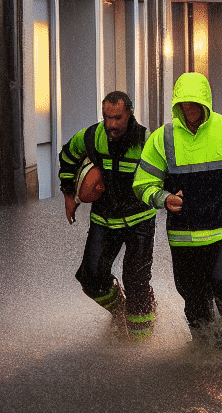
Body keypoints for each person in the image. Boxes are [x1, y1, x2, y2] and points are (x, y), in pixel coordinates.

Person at [133, 73, 222, 348]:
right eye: (184, 104)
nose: (189, 109)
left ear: (205, 102)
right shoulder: (161, 139)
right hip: (184, 234)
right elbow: (142, 184)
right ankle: (205, 352)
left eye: (194, 103)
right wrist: (163, 198)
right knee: (192, 296)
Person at [59, 91, 158, 341]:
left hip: (139, 223)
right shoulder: (91, 136)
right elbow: (68, 156)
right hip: (104, 221)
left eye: (118, 117)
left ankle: (142, 343)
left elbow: (167, 174)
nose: (112, 124)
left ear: (130, 113)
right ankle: (120, 309)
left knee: (136, 281)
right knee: (90, 278)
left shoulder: (146, 141)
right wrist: (69, 195)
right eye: (107, 117)